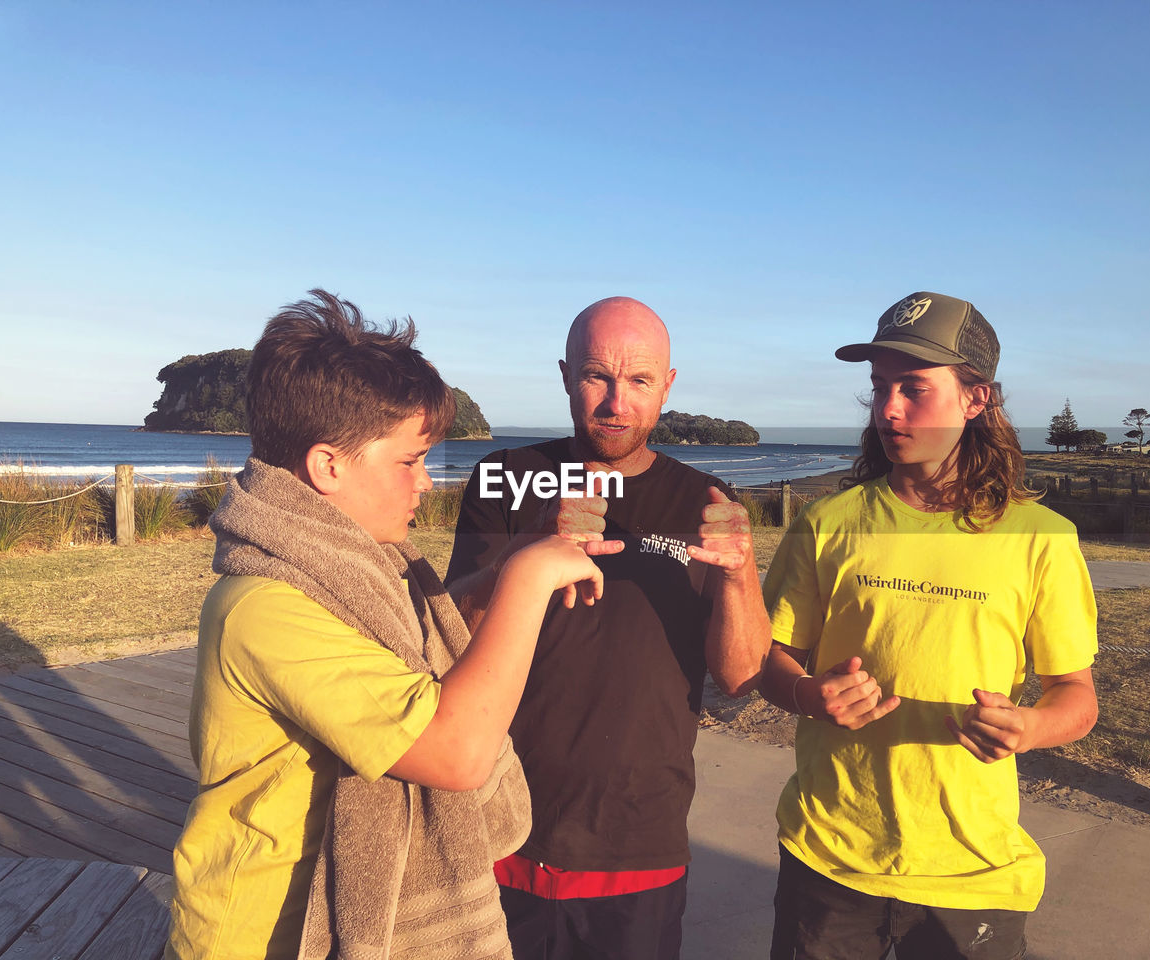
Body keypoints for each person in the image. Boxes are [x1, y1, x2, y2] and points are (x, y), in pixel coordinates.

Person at [165, 289, 609, 960]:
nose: (426, 483)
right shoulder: (267, 607)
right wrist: (527, 581)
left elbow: (416, 645)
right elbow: (454, 752)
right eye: (409, 461)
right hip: (266, 935)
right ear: (329, 466)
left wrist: (508, 564)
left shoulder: (357, 567)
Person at [760, 292, 1099, 960]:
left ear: (977, 399)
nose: (888, 409)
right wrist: (805, 694)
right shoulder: (829, 524)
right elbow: (769, 658)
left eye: (914, 388)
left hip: (973, 870)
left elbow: (1077, 696)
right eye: (879, 388)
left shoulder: (1042, 538)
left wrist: (1030, 727)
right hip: (830, 856)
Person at [445, 296, 771, 960]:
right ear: (565, 375)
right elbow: (448, 631)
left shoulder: (705, 501)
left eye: (640, 381)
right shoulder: (506, 479)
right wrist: (529, 547)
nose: (616, 402)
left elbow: (740, 675)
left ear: (667, 386)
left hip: (637, 839)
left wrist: (741, 576)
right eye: (597, 375)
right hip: (498, 821)